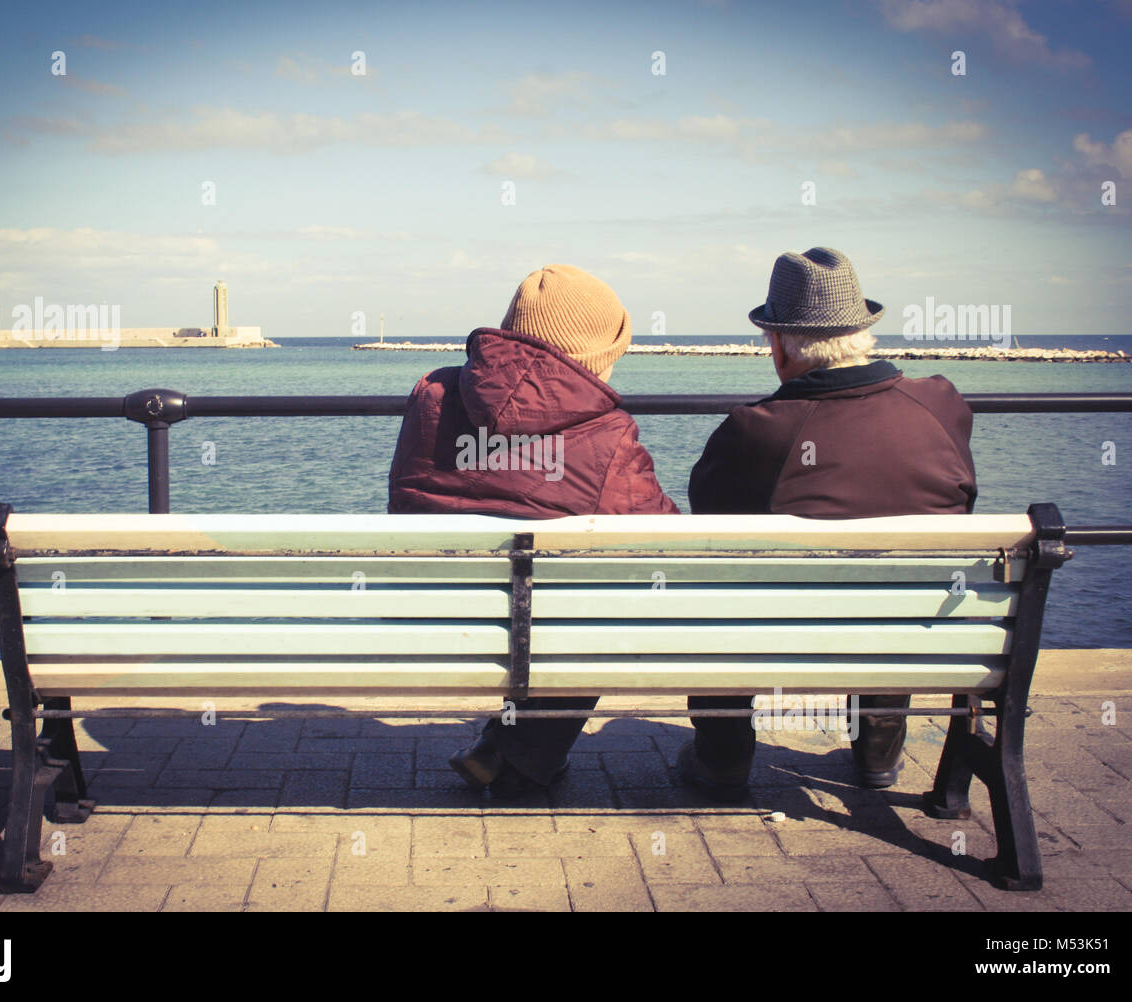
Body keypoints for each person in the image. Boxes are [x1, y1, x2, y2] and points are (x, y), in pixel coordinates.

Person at [680, 247, 977, 800]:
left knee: (713, 590)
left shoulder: (757, 429)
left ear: (780, 345)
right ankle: (878, 751)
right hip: (926, 629)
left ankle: (723, 758)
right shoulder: (941, 403)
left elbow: (710, 520)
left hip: (787, 629)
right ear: (862, 333)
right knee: (900, 582)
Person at [389, 263, 679, 797]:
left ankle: (503, 747)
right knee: (595, 608)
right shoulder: (607, 428)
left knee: (546, 597)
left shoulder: (431, 392)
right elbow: (662, 537)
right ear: (596, 354)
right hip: (539, 626)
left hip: (429, 607)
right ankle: (521, 761)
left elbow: (407, 494)